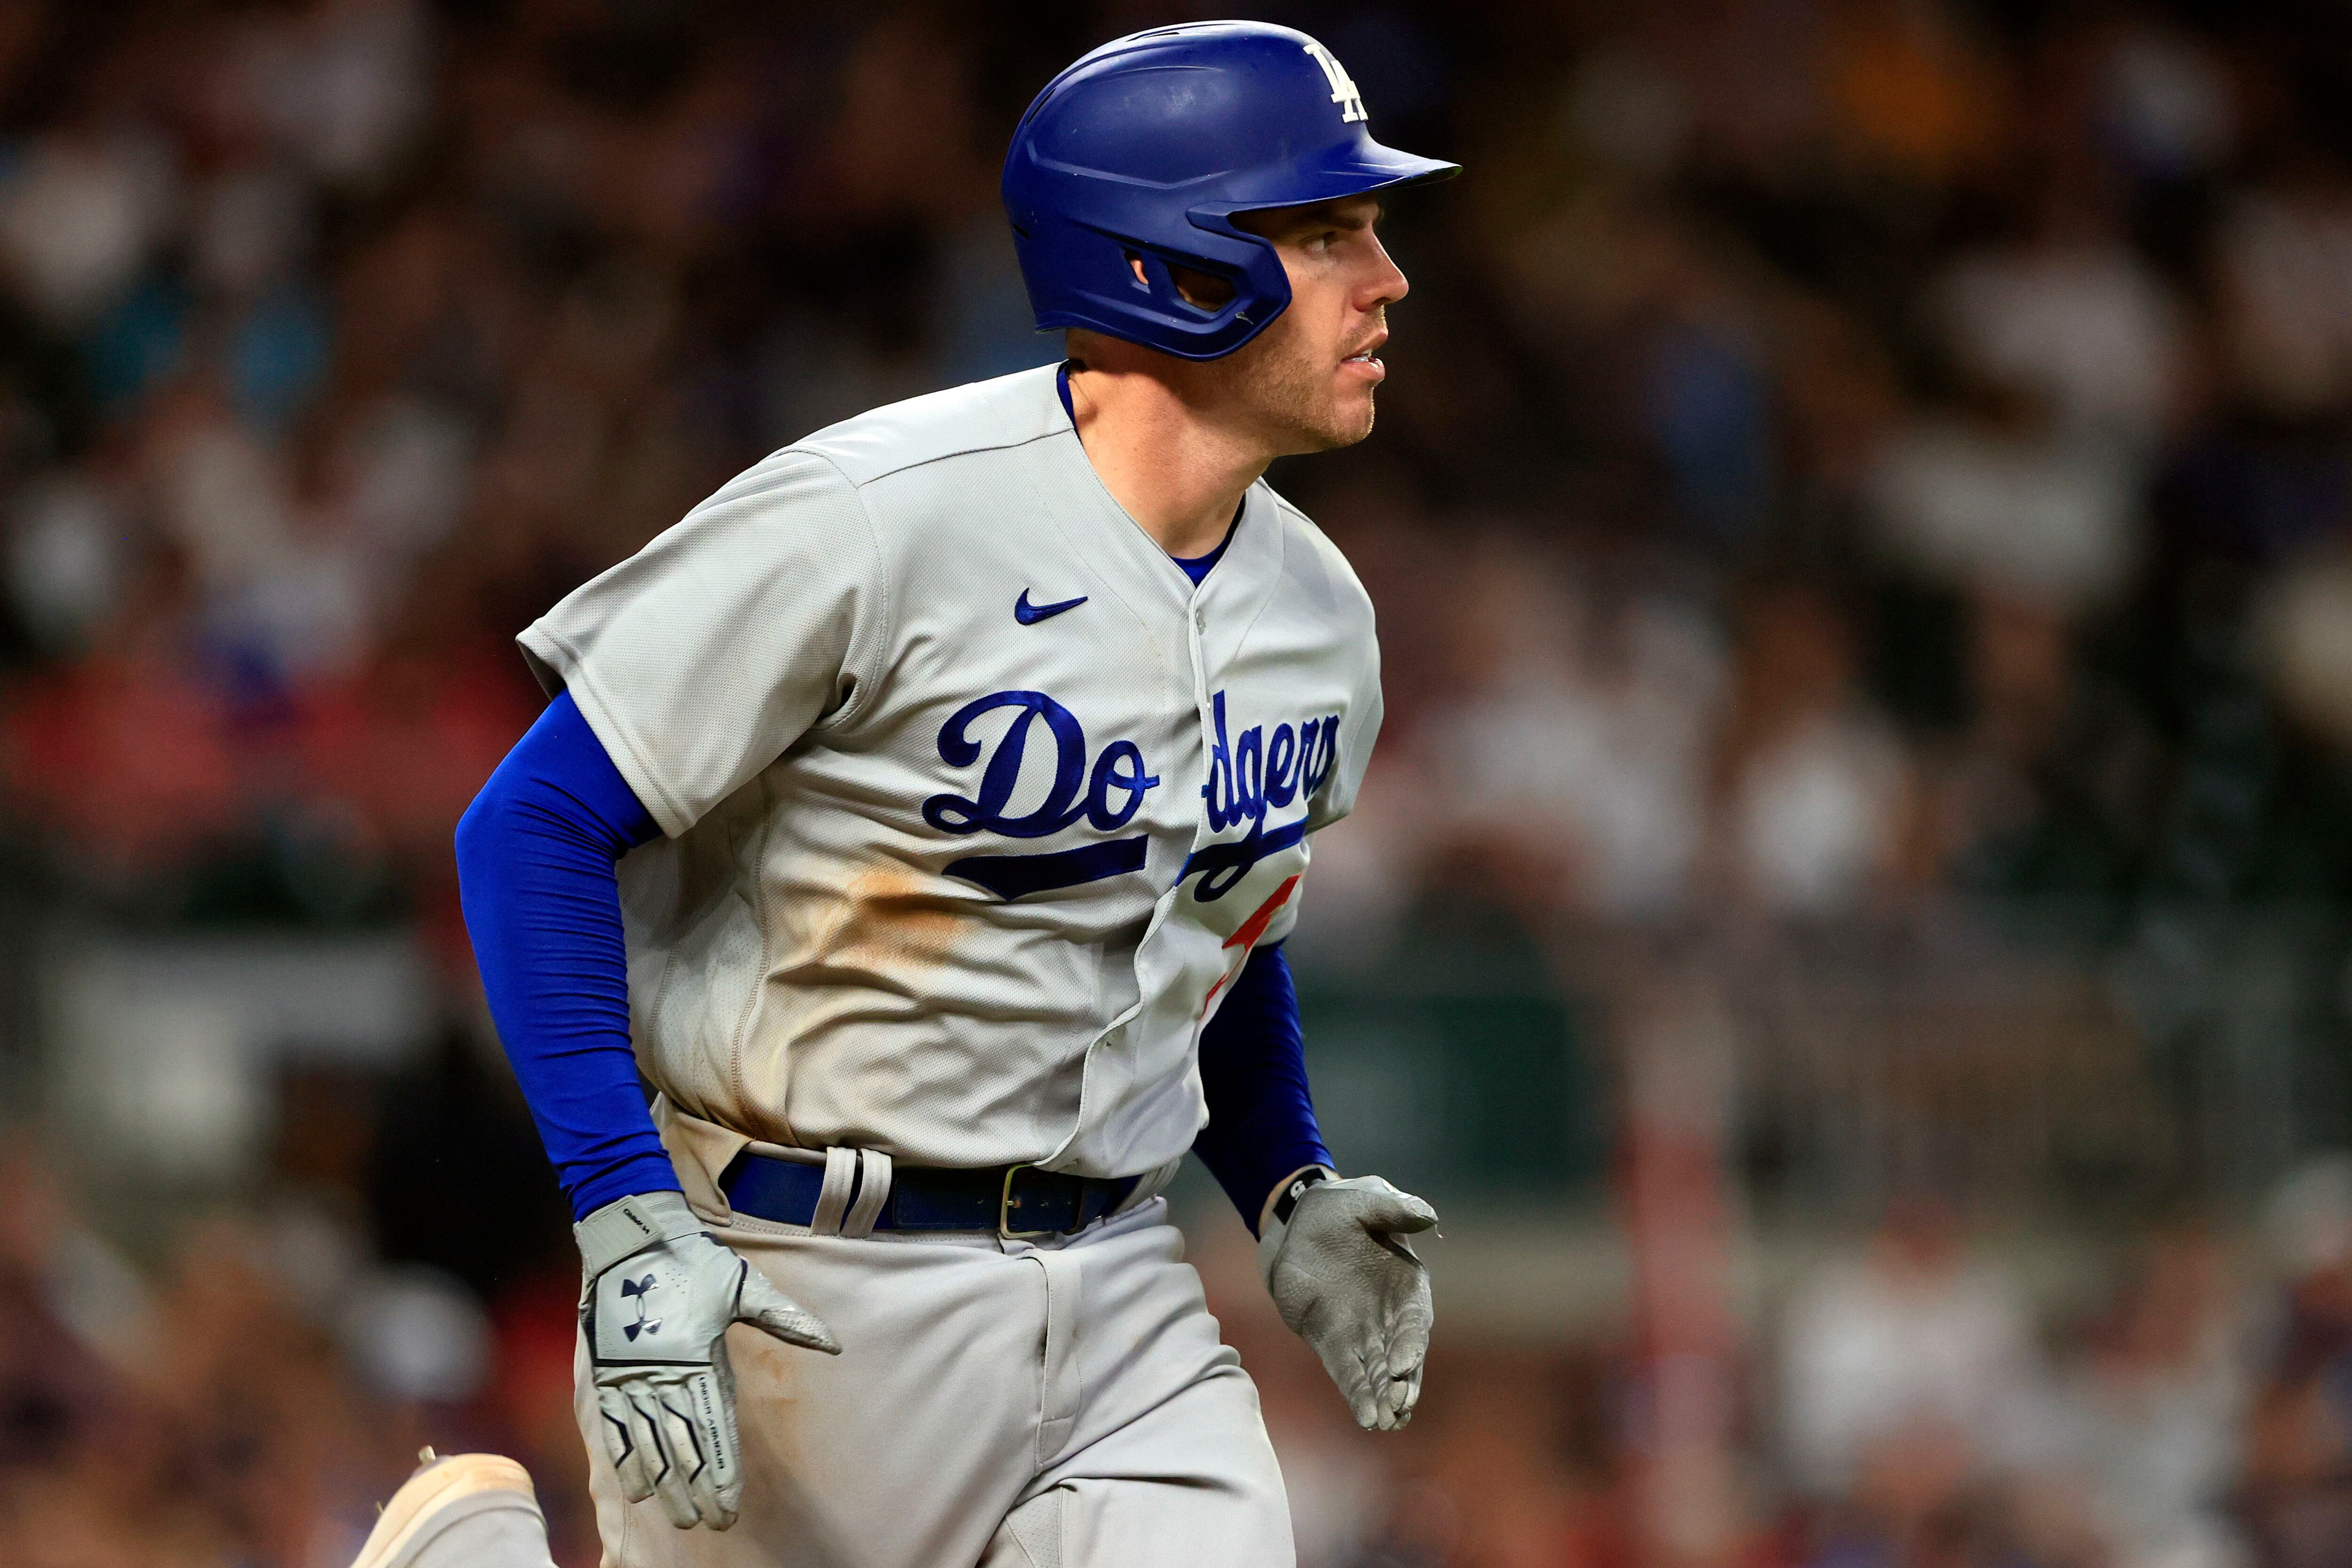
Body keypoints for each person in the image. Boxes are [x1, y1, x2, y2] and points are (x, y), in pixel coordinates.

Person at [451, 21, 1455, 1567]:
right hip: (796, 1275)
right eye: (1328, 234)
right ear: (1173, 266)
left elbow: (1215, 920)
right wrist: (619, 1205)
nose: (1386, 281)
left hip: (1126, 1292)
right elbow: (531, 825)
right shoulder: (873, 518)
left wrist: (1282, 1178)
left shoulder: (1323, 618)